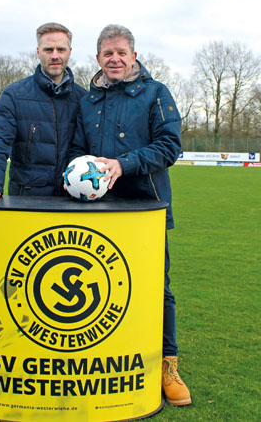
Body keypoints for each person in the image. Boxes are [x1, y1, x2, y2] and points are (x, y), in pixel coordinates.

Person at [68, 24, 192, 406]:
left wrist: (124, 164)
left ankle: (167, 365)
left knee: (157, 287)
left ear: (134, 56)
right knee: (104, 286)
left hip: (146, 208)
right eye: (108, 53)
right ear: (98, 59)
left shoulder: (156, 93)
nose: (115, 59)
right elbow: (76, 148)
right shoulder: (87, 100)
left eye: (122, 52)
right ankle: (108, 358)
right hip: (99, 210)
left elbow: (170, 146)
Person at [0, 22, 86, 200]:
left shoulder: (83, 99)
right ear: (38, 52)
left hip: (72, 199)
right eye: (48, 50)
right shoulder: (15, 95)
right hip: (27, 199)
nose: (55, 56)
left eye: (60, 49)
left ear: (69, 51)